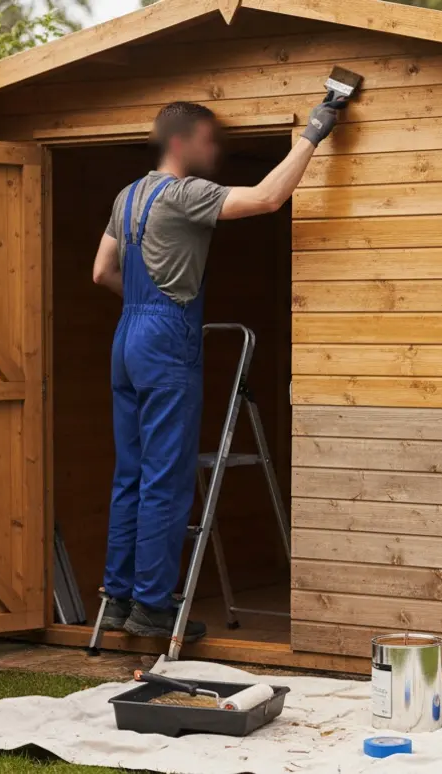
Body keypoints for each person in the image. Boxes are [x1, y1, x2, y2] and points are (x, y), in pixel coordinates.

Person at [90, 95, 346, 639]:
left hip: (128, 338)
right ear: (179, 143)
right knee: (167, 476)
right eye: (209, 140)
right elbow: (269, 197)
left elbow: (101, 272)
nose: (217, 150)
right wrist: (314, 133)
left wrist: (144, 307)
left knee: (130, 474)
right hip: (165, 336)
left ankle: (117, 599)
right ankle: (153, 607)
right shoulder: (185, 194)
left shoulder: (127, 196)